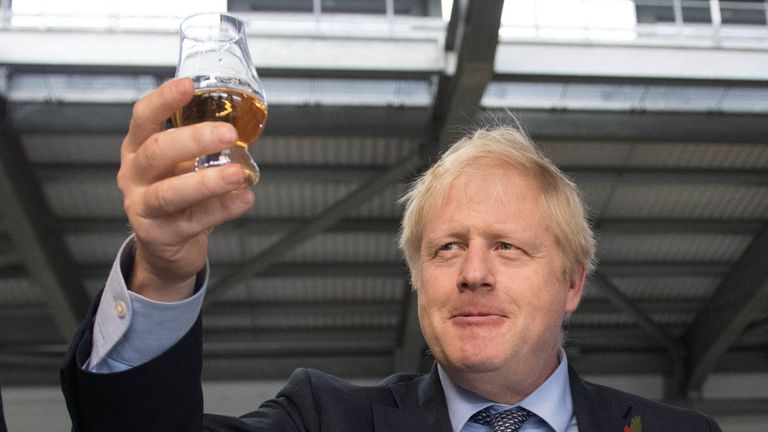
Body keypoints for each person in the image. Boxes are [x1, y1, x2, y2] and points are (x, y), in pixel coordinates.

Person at [61, 78, 722, 432]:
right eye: (447, 248)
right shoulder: (324, 419)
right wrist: (164, 274)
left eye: (507, 247)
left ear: (573, 282)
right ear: (418, 278)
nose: (472, 273)